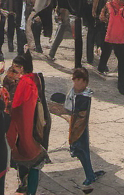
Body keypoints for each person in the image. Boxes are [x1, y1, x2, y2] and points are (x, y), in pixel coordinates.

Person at [49, 66, 104, 194]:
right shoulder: (75, 92)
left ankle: (90, 176)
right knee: (81, 152)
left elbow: (78, 114)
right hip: (75, 127)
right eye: (74, 80)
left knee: (81, 151)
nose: (75, 83)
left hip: (80, 129)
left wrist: (64, 113)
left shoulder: (84, 97)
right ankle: (90, 173)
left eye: (78, 81)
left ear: (85, 82)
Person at [5, 52, 47, 195]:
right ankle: (28, 190)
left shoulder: (24, 83)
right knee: (34, 165)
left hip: (25, 132)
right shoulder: (35, 79)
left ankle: (27, 189)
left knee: (29, 162)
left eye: (15, 67)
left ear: (21, 68)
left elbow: (16, 109)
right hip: (37, 128)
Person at [98, 0, 124, 95]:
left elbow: (102, 17)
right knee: (120, 61)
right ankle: (121, 86)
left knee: (113, 56)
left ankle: (120, 84)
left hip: (113, 36)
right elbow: (102, 17)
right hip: (117, 37)